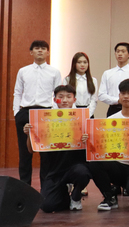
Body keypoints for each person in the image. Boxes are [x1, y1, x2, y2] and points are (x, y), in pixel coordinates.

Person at [23, 85, 92, 212]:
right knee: (47, 206)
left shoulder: (83, 120)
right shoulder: (43, 120)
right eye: (60, 97)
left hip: (75, 168)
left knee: (82, 173)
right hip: (54, 172)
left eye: (68, 97)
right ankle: (64, 194)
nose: (64, 100)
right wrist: (29, 135)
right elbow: (31, 150)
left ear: (74, 100)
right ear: (55, 100)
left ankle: (76, 195)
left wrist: (87, 140)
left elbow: (92, 150)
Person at [89, 79, 129, 210]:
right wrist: (90, 140)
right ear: (119, 95)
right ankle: (109, 196)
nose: (125, 96)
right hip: (118, 165)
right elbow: (103, 147)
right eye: (123, 93)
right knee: (94, 162)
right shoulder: (111, 119)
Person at [13, 40, 63, 184]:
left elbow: (58, 95)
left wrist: (54, 113)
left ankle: (46, 188)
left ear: (48, 52)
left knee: (46, 154)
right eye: (36, 48)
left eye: (43, 48)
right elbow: (17, 93)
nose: (40, 51)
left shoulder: (54, 72)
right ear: (31, 52)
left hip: (46, 113)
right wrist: (16, 113)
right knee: (24, 153)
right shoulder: (23, 71)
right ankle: (25, 187)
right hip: (25, 112)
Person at [99, 42, 129, 117]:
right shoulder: (107, 73)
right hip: (113, 109)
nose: (120, 54)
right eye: (118, 51)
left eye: (123, 51)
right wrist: (117, 100)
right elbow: (101, 95)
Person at [64, 52, 98, 118]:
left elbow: (94, 99)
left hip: (88, 112)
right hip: (72, 112)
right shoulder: (67, 80)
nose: (82, 65)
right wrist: (76, 113)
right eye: (79, 62)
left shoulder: (93, 80)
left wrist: (88, 113)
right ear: (74, 64)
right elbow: (67, 98)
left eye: (85, 62)